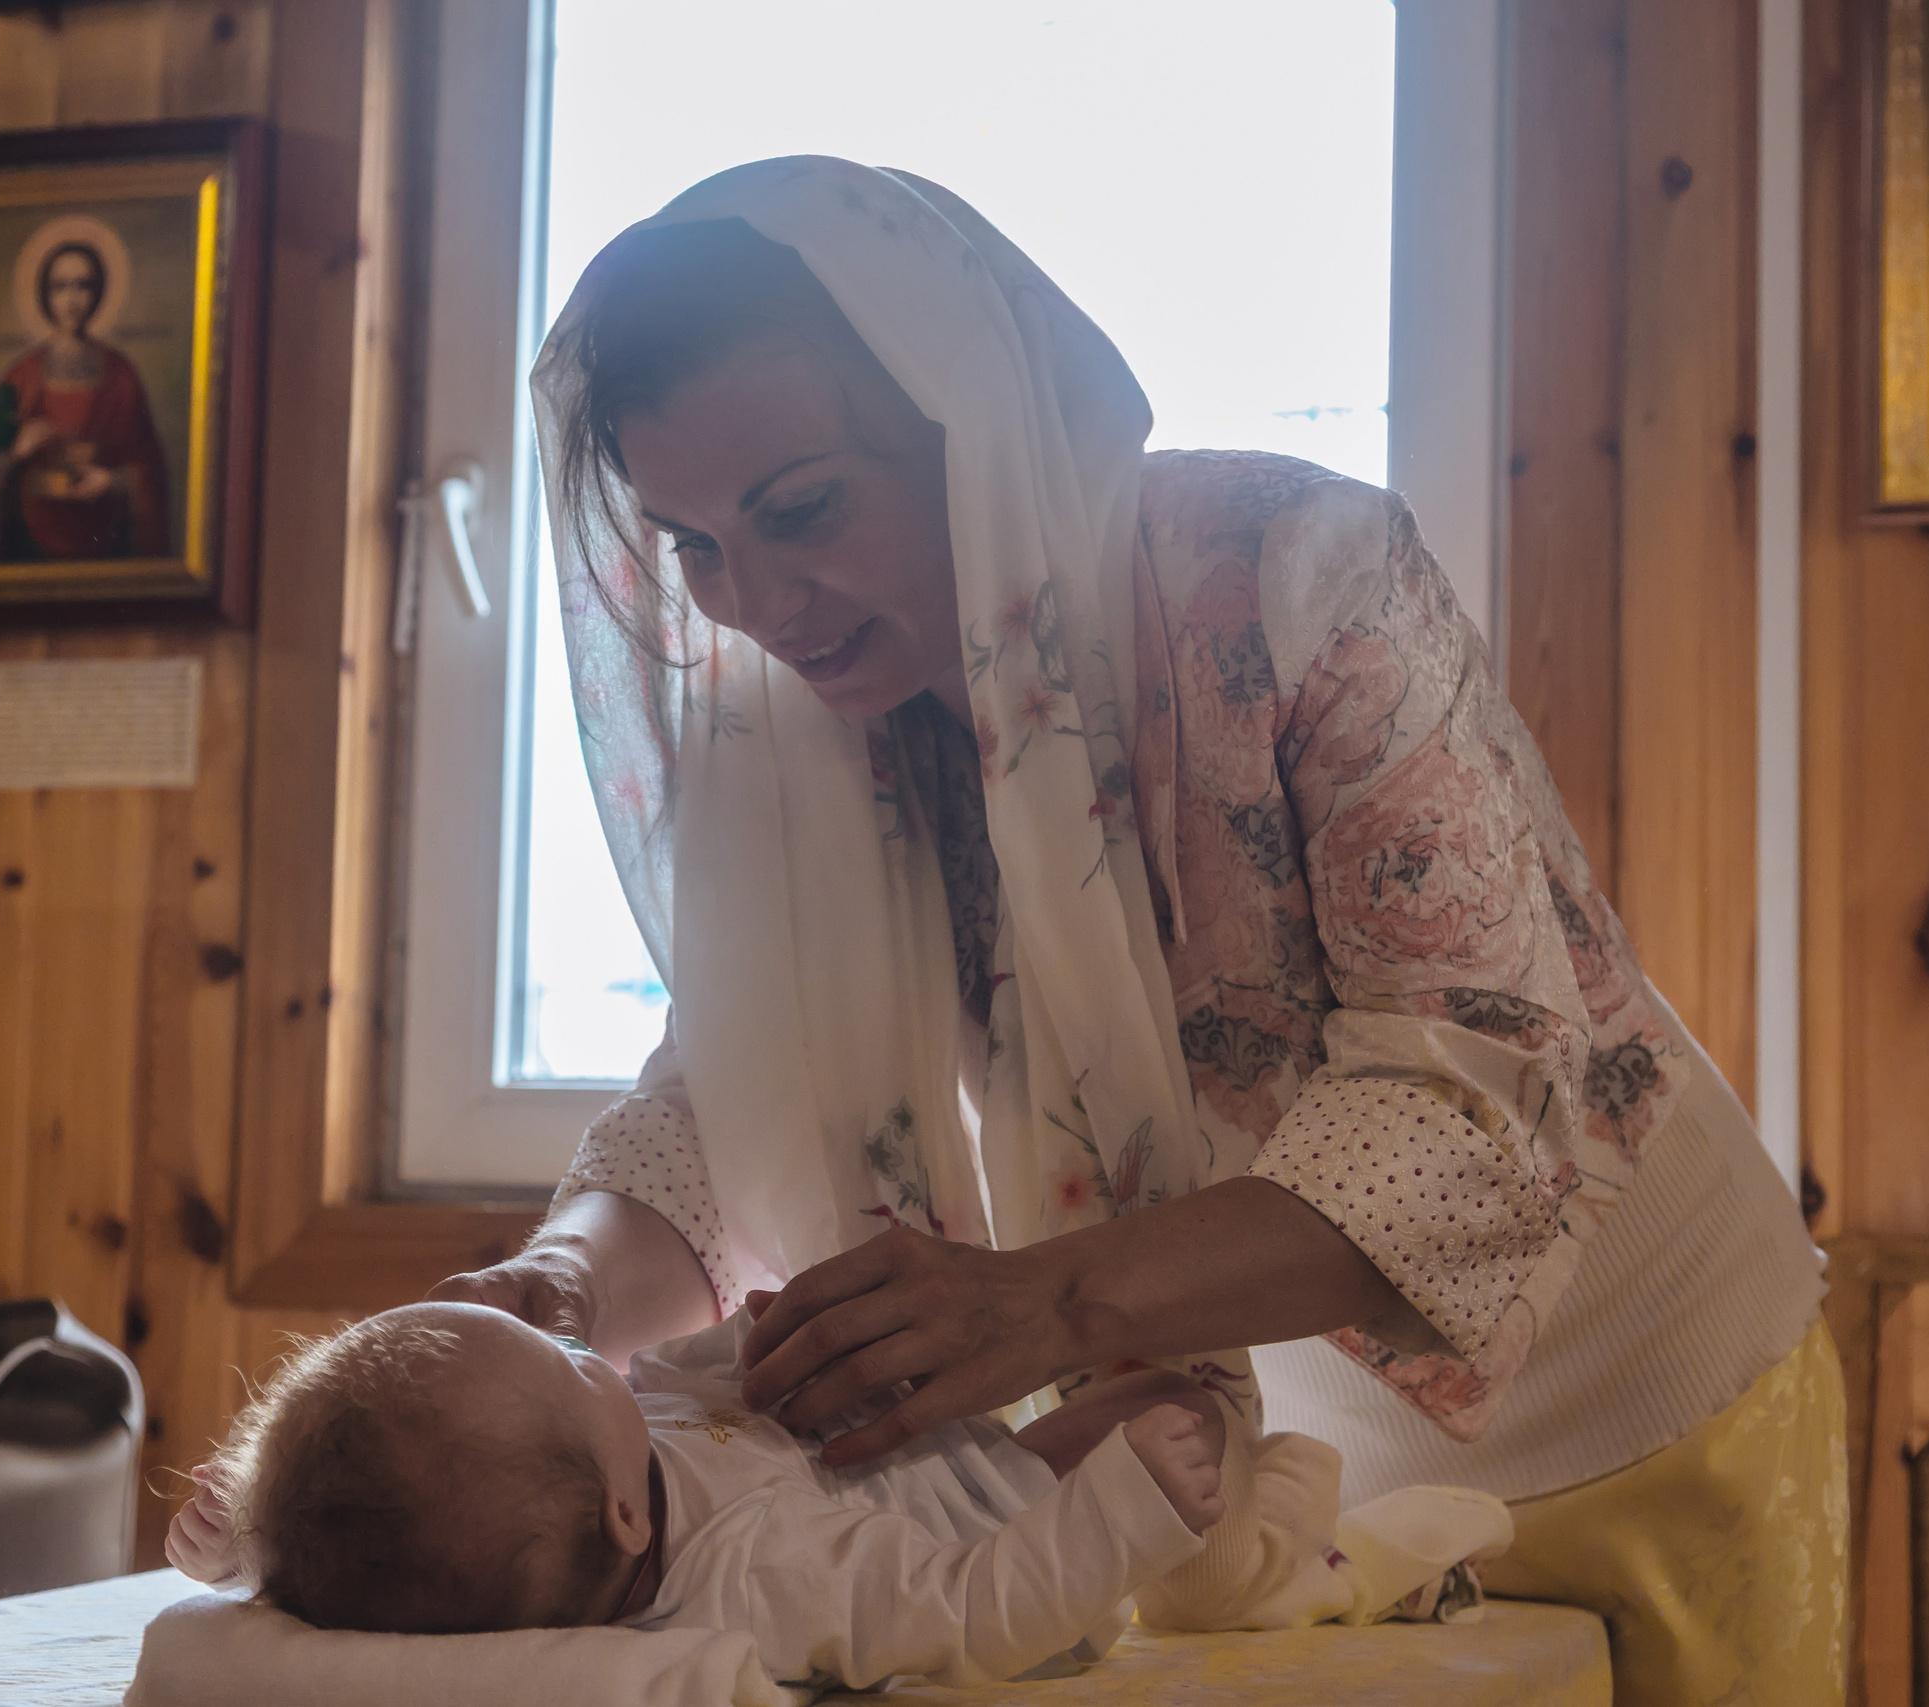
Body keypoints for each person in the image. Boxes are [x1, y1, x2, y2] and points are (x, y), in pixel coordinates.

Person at [412, 157, 1838, 1706]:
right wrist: (557, 1285)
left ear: (972, 421)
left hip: (1639, 1402)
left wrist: (1044, 1298)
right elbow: (728, 1091)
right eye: (688, 544)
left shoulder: (1303, 578)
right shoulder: (803, 741)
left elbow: (1478, 1101)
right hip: (1273, 1490)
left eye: (802, 508)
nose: (753, 600)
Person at [162, 1301, 1504, 1693]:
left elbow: (365, 1566)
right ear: (628, 1518)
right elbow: (967, 1616)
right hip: (1008, 1517)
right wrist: (1114, 1517)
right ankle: (1273, 1550)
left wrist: (258, 1537)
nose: (596, 1354)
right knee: (1183, 1414)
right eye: (578, 1367)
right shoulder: (765, 1583)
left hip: (921, 1444)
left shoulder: (610, 1457)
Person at [0, 237, 173, 562]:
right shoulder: (21, 378)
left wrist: (113, 482)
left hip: (103, 544)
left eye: (82, 285)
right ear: (45, 295)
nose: (72, 299)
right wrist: (16, 453)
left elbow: (151, 472)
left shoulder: (121, 375)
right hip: (29, 546)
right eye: (60, 287)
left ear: (98, 293)